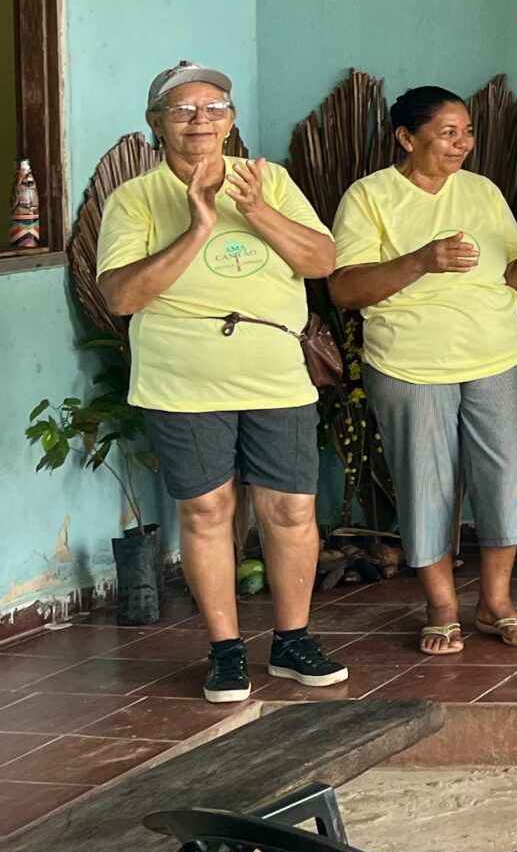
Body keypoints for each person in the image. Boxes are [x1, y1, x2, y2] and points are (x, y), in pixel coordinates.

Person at [98, 62, 346, 702]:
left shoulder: (270, 182)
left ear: (231, 121)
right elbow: (123, 296)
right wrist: (199, 226)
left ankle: (293, 640)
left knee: (291, 509)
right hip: (184, 381)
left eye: (213, 107)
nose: (200, 120)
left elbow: (322, 260)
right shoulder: (134, 199)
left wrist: (257, 211)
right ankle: (225, 650)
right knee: (207, 510)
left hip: (276, 377)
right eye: (182, 110)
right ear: (157, 126)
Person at [330, 86, 517, 656]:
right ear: (407, 138)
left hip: (493, 355)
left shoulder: (481, 191)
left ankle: (496, 603)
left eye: (467, 132)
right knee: (425, 481)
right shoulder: (370, 198)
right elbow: (343, 289)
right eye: (447, 133)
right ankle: (440, 607)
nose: (462, 143)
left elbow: (514, 275)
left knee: (502, 477)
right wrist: (420, 261)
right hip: (409, 362)